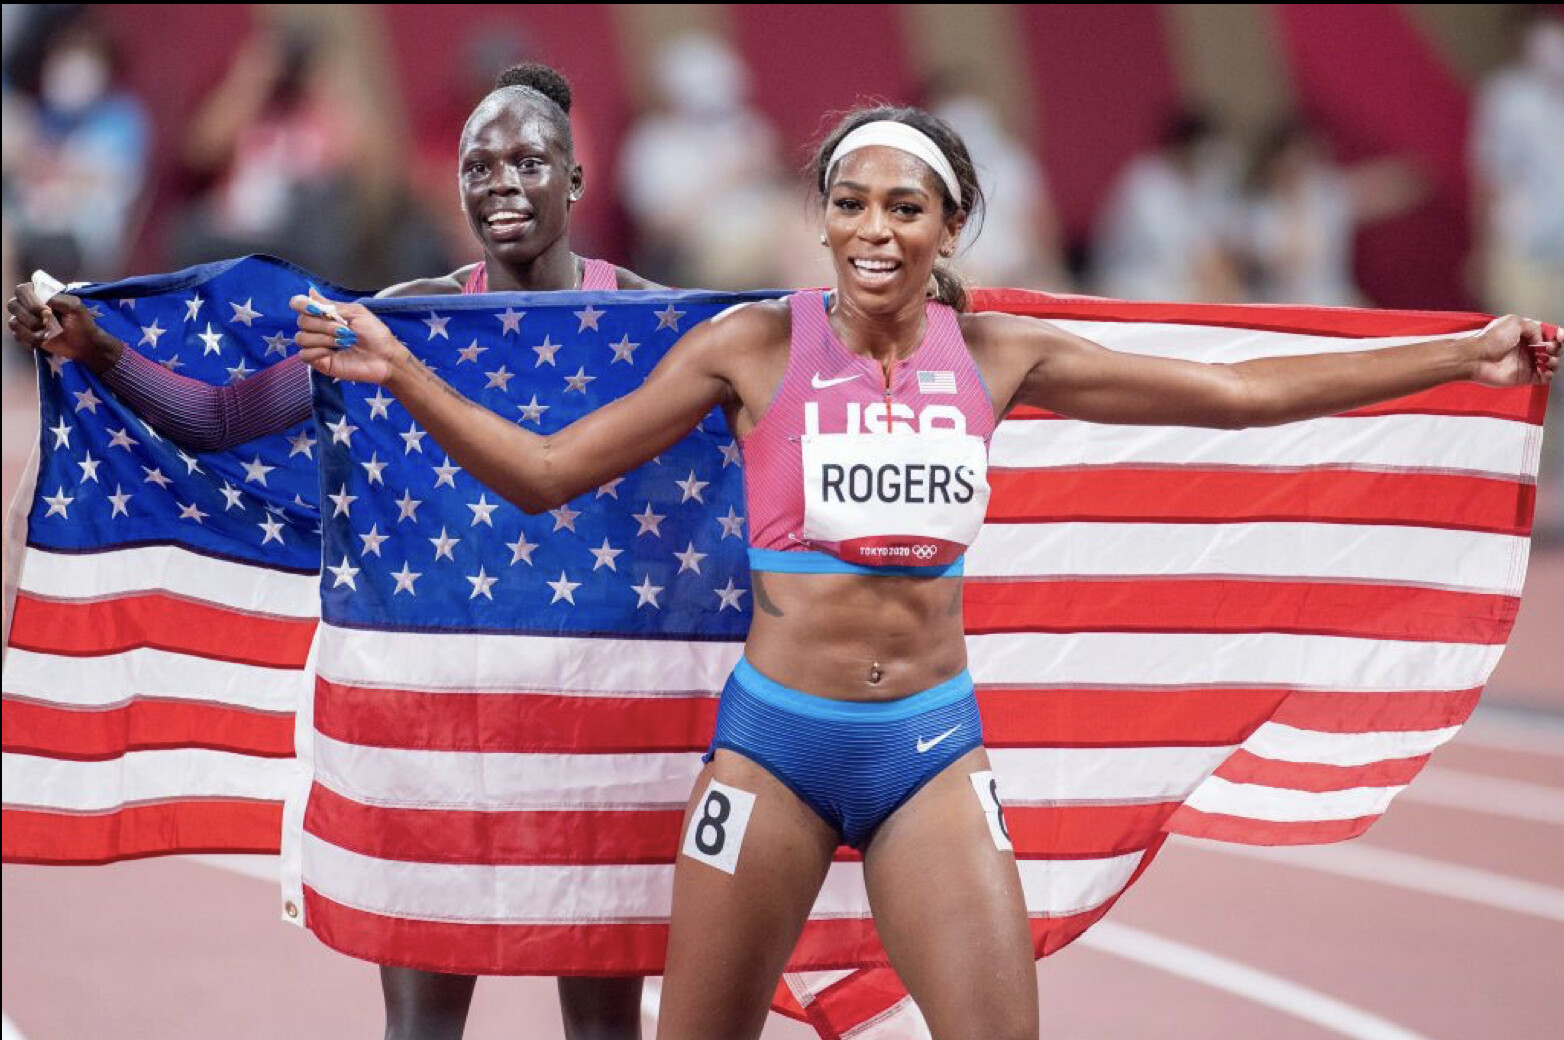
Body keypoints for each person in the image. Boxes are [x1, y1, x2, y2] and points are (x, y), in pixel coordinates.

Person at [292, 102, 1558, 1038]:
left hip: (929, 752)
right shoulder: (750, 346)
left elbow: (1235, 395)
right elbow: (546, 471)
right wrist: (401, 373)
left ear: (950, 225)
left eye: (904, 208)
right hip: (772, 751)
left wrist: (1462, 356)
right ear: (822, 217)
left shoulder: (998, 354)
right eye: (849, 203)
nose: (873, 230)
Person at [8, 63, 656, 1040]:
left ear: (574, 176)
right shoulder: (398, 322)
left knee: (604, 1026)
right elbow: (223, 419)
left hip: (591, 712)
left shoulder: (654, 321)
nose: (502, 184)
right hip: (439, 709)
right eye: (479, 166)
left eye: (529, 161)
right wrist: (97, 349)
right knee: (421, 1025)